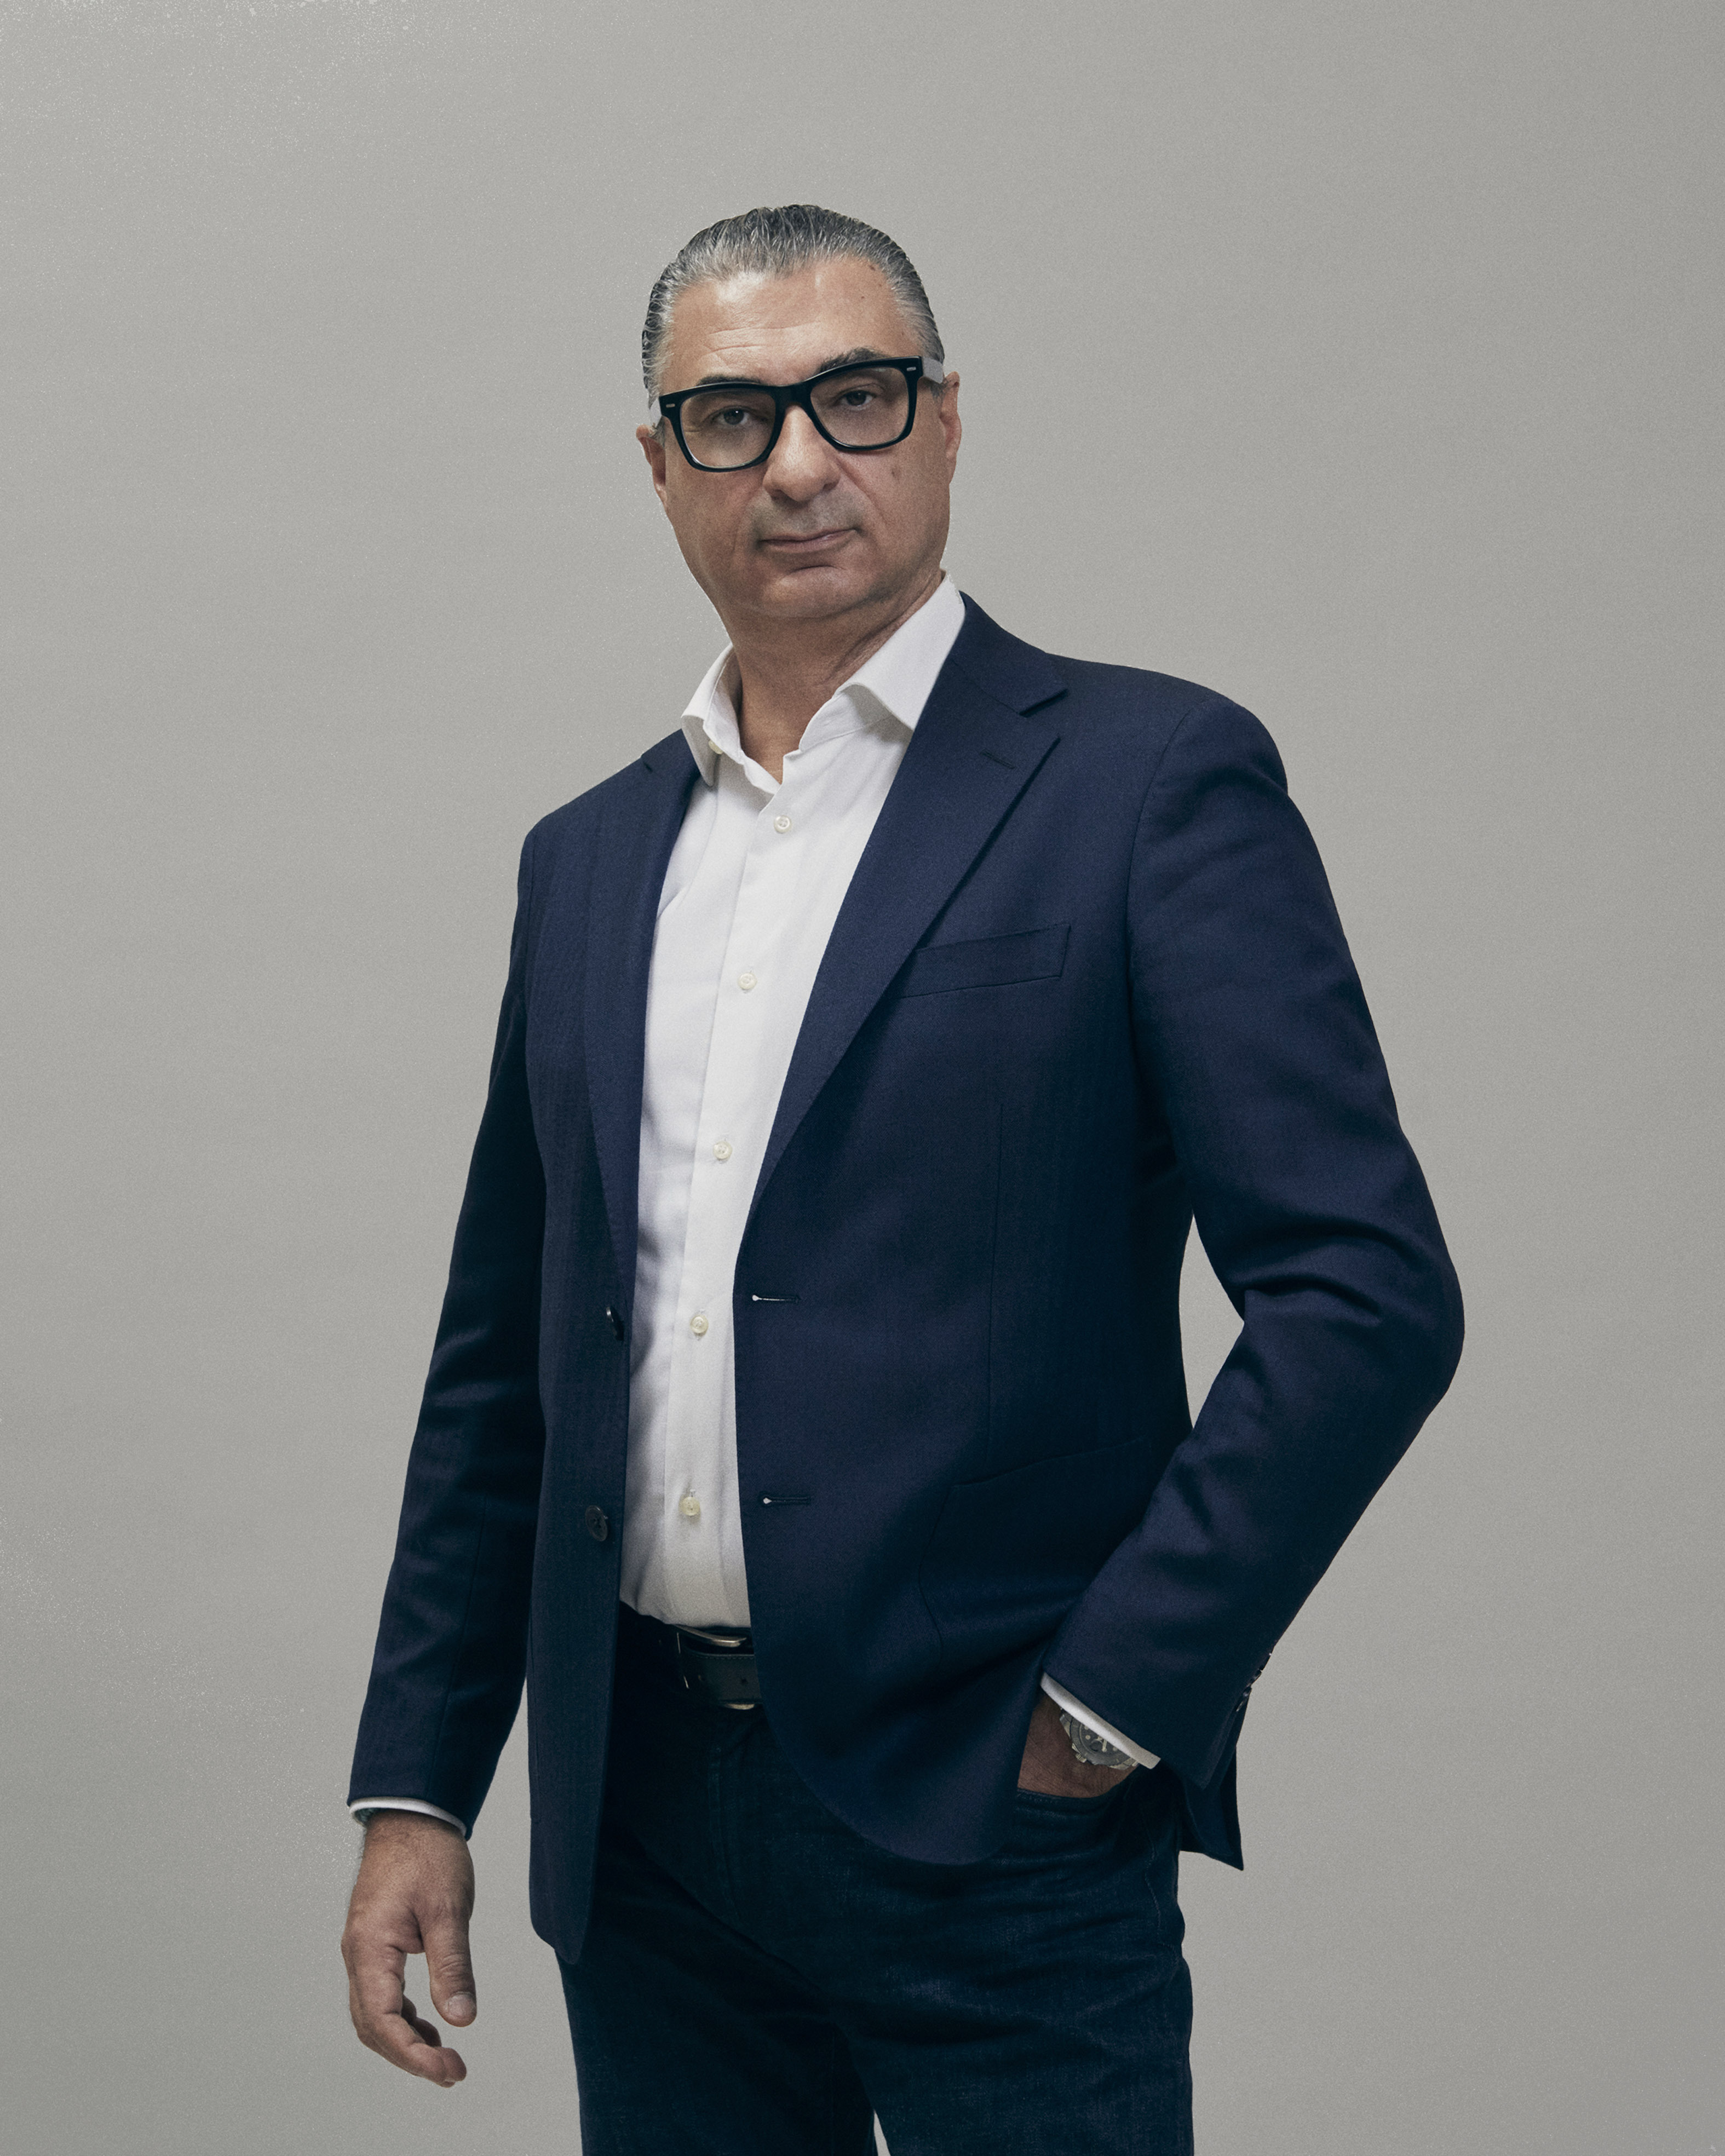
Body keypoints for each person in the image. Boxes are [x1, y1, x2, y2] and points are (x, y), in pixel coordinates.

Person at [340, 204, 1463, 2153]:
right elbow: (505, 1361)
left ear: (944, 420)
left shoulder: (1146, 782)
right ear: (659, 467)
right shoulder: (585, 859)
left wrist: (1111, 1705)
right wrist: (419, 1782)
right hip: (644, 1835)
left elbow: (1367, 1293)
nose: (797, 463)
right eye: (731, 416)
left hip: (993, 1811)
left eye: (853, 397)